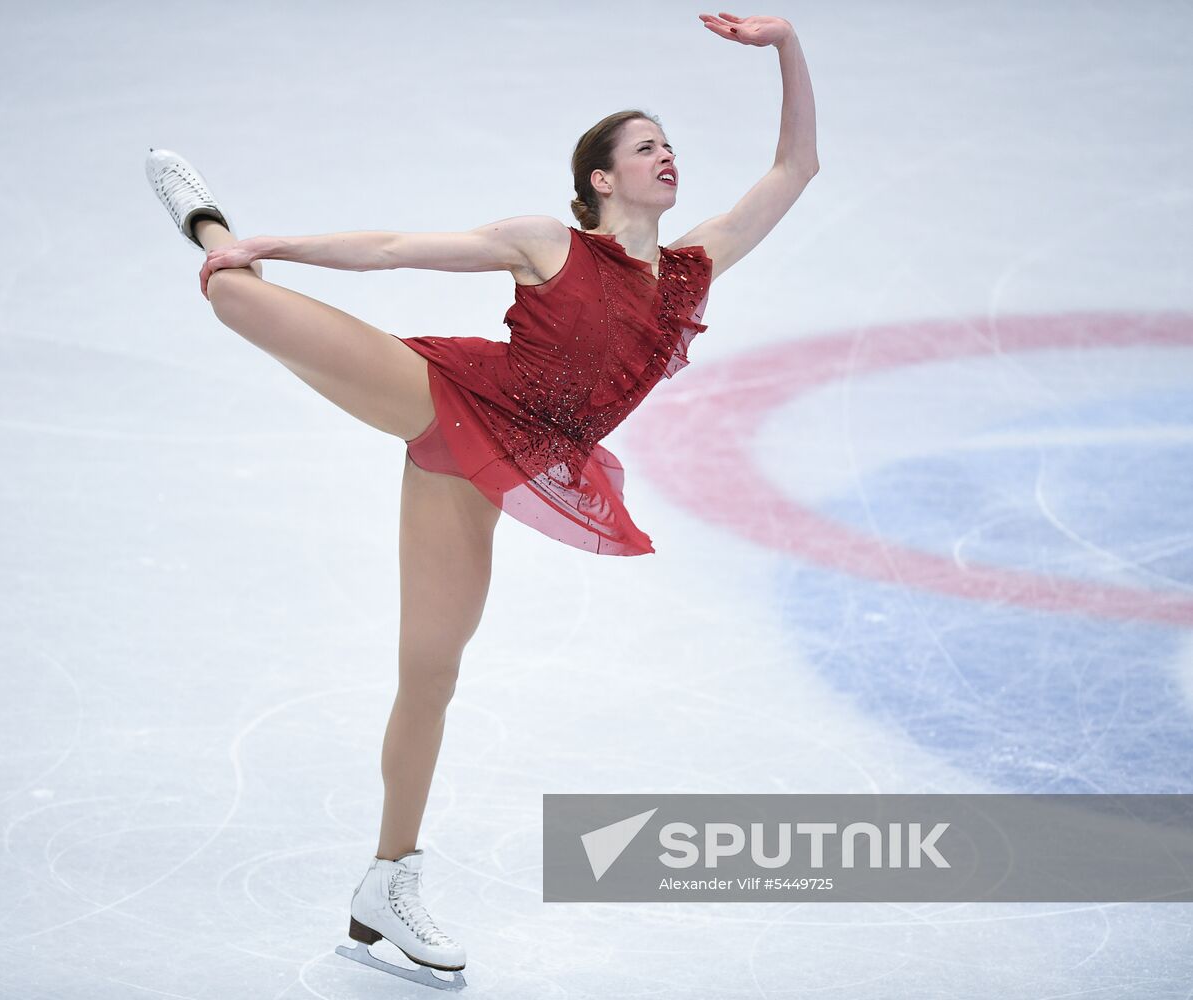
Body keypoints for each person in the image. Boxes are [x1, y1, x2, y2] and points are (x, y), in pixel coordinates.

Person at [144, 13, 817, 989]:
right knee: (236, 292)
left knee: (429, 674)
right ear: (601, 180)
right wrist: (269, 242)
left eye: (669, 145)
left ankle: (387, 882)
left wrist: (785, 43)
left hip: (493, 465)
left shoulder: (689, 271)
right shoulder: (548, 244)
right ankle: (206, 222)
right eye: (644, 148)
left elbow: (795, 166)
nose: (666, 155)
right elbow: (394, 249)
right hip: (449, 393)